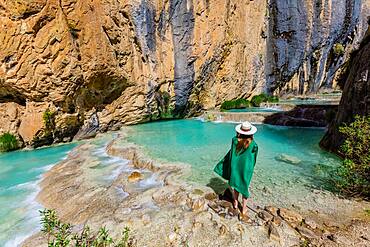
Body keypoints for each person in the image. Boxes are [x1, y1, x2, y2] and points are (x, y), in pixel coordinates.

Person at [214, 121, 258, 220]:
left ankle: (235, 202)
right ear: (251, 133)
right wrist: (251, 168)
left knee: (236, 185)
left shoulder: (234, 140)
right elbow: (253, 159)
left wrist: (227, 164)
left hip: (235, 167)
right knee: (244, 186)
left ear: (239, 131)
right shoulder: (254, 145)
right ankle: (244, 208)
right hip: (246, 169)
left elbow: (231, 154)